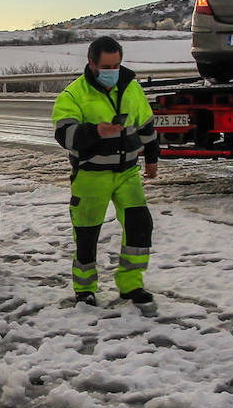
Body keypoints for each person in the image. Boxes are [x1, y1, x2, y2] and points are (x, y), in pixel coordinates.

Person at [52, 36, 159, 307]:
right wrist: (96, 131)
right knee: (87, 235)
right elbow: (64, 134)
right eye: (107, 66)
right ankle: (85, 289)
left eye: (117, 65)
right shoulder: (73, 95)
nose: (113, 71)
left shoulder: (131, 88)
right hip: (91, 175)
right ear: (91, 63)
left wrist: (152, 159)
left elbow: (147, 125)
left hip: (127, 172)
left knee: (140, 225)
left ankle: (131, 285)